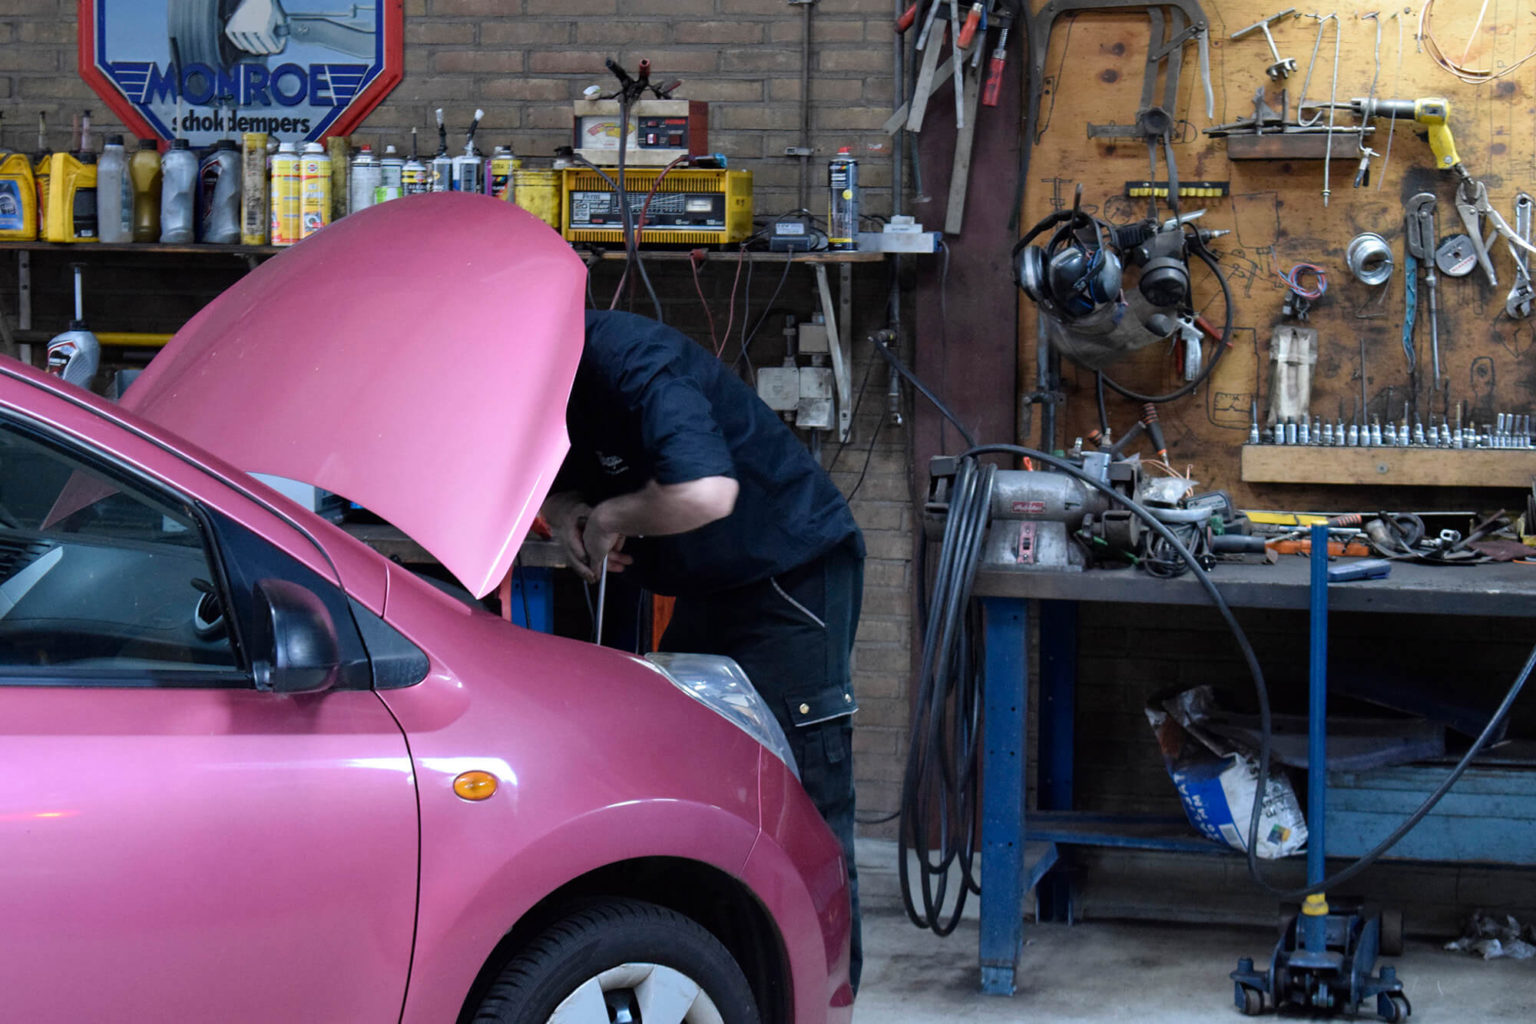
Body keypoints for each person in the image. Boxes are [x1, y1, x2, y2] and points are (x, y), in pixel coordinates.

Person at [541, 309, 866, 992]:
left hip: (787, 574)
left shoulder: (633, 360)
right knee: (694, 775)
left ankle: (829, 1000)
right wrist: (571, 506)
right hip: (707, 583)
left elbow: (706, 493)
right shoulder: (535, 375)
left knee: (805, 798)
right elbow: (563, 469)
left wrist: (611, 516)